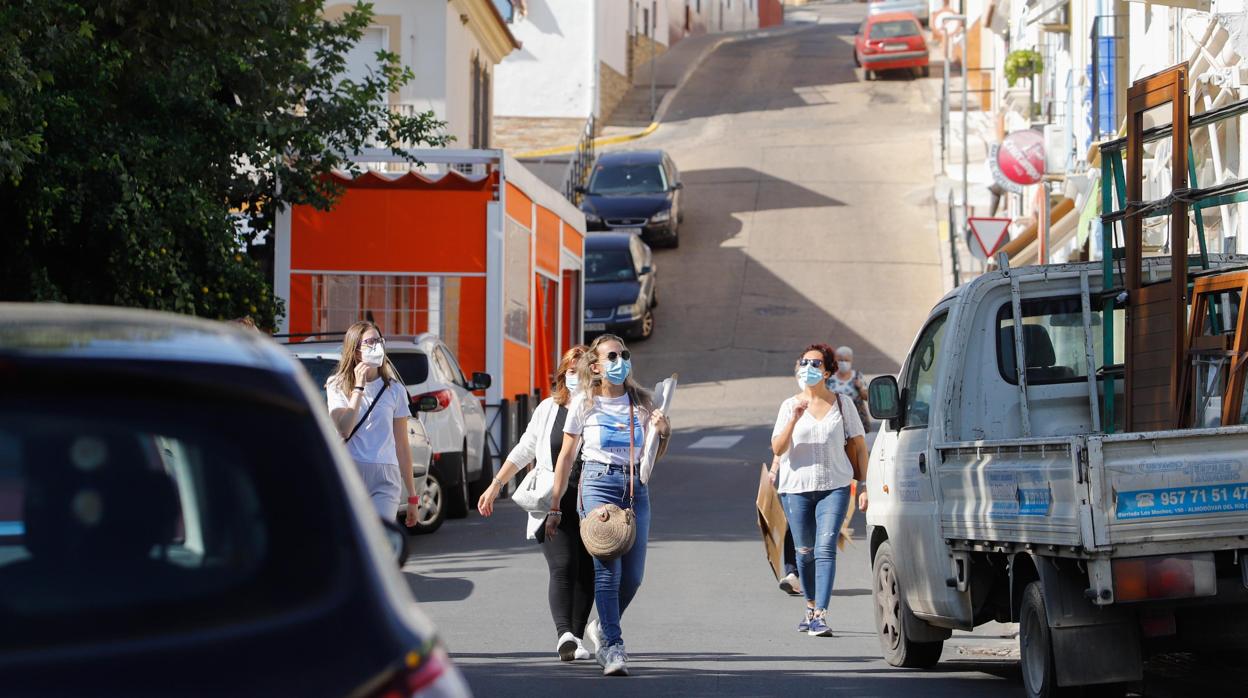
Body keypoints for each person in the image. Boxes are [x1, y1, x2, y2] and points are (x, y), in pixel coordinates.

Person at [548, 334, 671, 677]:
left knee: (632, 577)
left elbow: (650, 456)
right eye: (612, 356)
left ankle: (601, 626)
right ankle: (613, 647)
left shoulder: (642, 401)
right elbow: (567, 454)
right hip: (597, 483)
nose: (621, 360)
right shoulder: (584, 403)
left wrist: (663, 431)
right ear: (597, 366)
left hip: (634, 488)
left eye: (624, 354)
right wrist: (556, 503)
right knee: (608, 571)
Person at [477, 345, 595, 663]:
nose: (575, 378)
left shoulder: (597, 409)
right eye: (570, 372)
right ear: (561, 375)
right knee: (563, 565)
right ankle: (564, 635)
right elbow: (524, 449)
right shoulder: (547, 409)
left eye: (581, 372)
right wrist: (495, 484)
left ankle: (578, 636)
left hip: (590, 500)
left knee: (587, 571)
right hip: (550, 499)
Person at [770, 343, 867, 637]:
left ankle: (820, 615)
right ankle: (809, 607)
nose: (808, 368)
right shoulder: (789, 405)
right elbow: (777, 447)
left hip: (834, 487)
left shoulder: (842, 404)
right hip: (796, 489)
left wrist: (864, 485)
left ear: (826, 371)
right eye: (804, 363)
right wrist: (794, 418)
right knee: (804, 552)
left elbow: (859, 447)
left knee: (825, 549)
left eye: (815, 364)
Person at [327, 321, 419, 527]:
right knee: (353, 540)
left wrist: (413, 497)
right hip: (349, 473)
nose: (377, 346)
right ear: (356, 351)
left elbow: (402, 446)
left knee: (382, 537)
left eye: (379, 341)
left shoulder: (395, 390)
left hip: (385, 476)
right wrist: (358, 389)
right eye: (370, 342)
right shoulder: (336, 385)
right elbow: (344, 428)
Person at [827, 345, 870, 432]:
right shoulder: (830, 378)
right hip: (835, 420)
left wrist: (860, 388)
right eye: (840, 360)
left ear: (851, 360)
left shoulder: (857, 376)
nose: (843, 363)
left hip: (855, 420)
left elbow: (867, 397)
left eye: (846, 360)